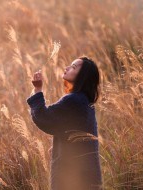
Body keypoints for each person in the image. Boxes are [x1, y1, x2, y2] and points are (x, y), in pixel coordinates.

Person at [26, 56, 102, 190]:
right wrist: (60, 145)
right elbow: (70, 128)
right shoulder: (85, 101)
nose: (67, 68)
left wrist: (38, 89)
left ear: (82, 76)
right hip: (86, 174)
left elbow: (44, 118)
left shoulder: (73, 100)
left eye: (73, 67)